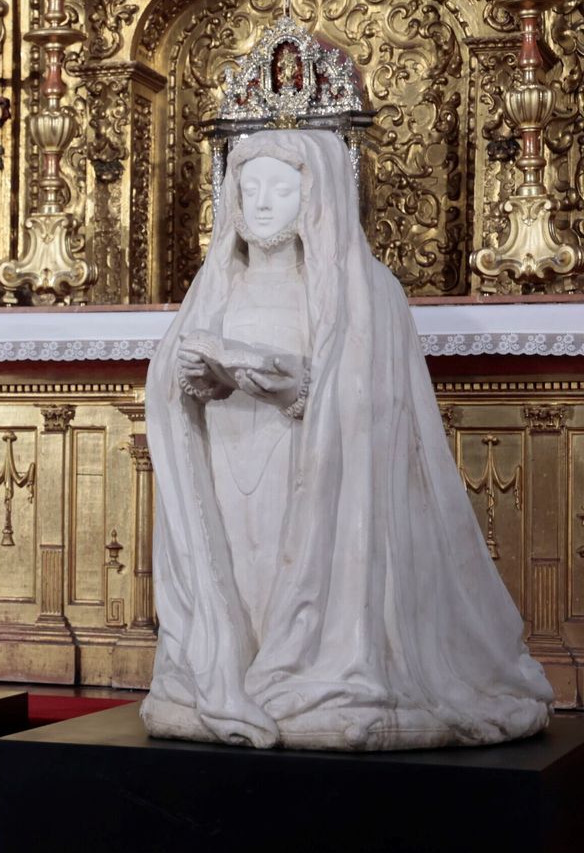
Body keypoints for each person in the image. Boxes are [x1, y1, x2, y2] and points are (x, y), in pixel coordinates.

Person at [141, 129, 552, 750]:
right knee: (245, 573)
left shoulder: (363, 291)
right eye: (249, 188)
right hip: (230, 458)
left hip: (312, 468)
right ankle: (237, 670)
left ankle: (314, 672)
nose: (261, 203)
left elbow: (370, 403)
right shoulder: (216, 285)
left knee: (299, 570)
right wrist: (200, 379)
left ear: (317, 195)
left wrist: (278, 380)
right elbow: (173, 385)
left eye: (280, 188)